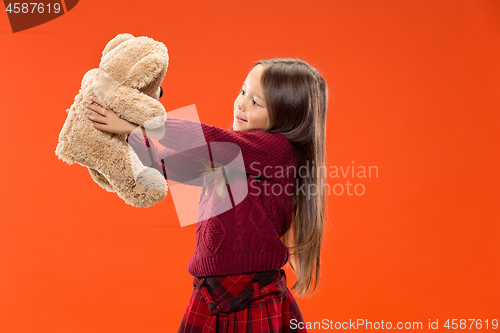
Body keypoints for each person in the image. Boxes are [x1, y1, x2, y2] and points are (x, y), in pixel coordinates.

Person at [85, 58, 328, 332]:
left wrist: (138, 123)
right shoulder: (226, 157)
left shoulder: (278, 151)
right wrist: (127, 134)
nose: (241, 103)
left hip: (253, 295)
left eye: (256, 102)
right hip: (208, 293)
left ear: (287, 115)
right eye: (243, 91)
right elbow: (163, 164)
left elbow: (211, 139)